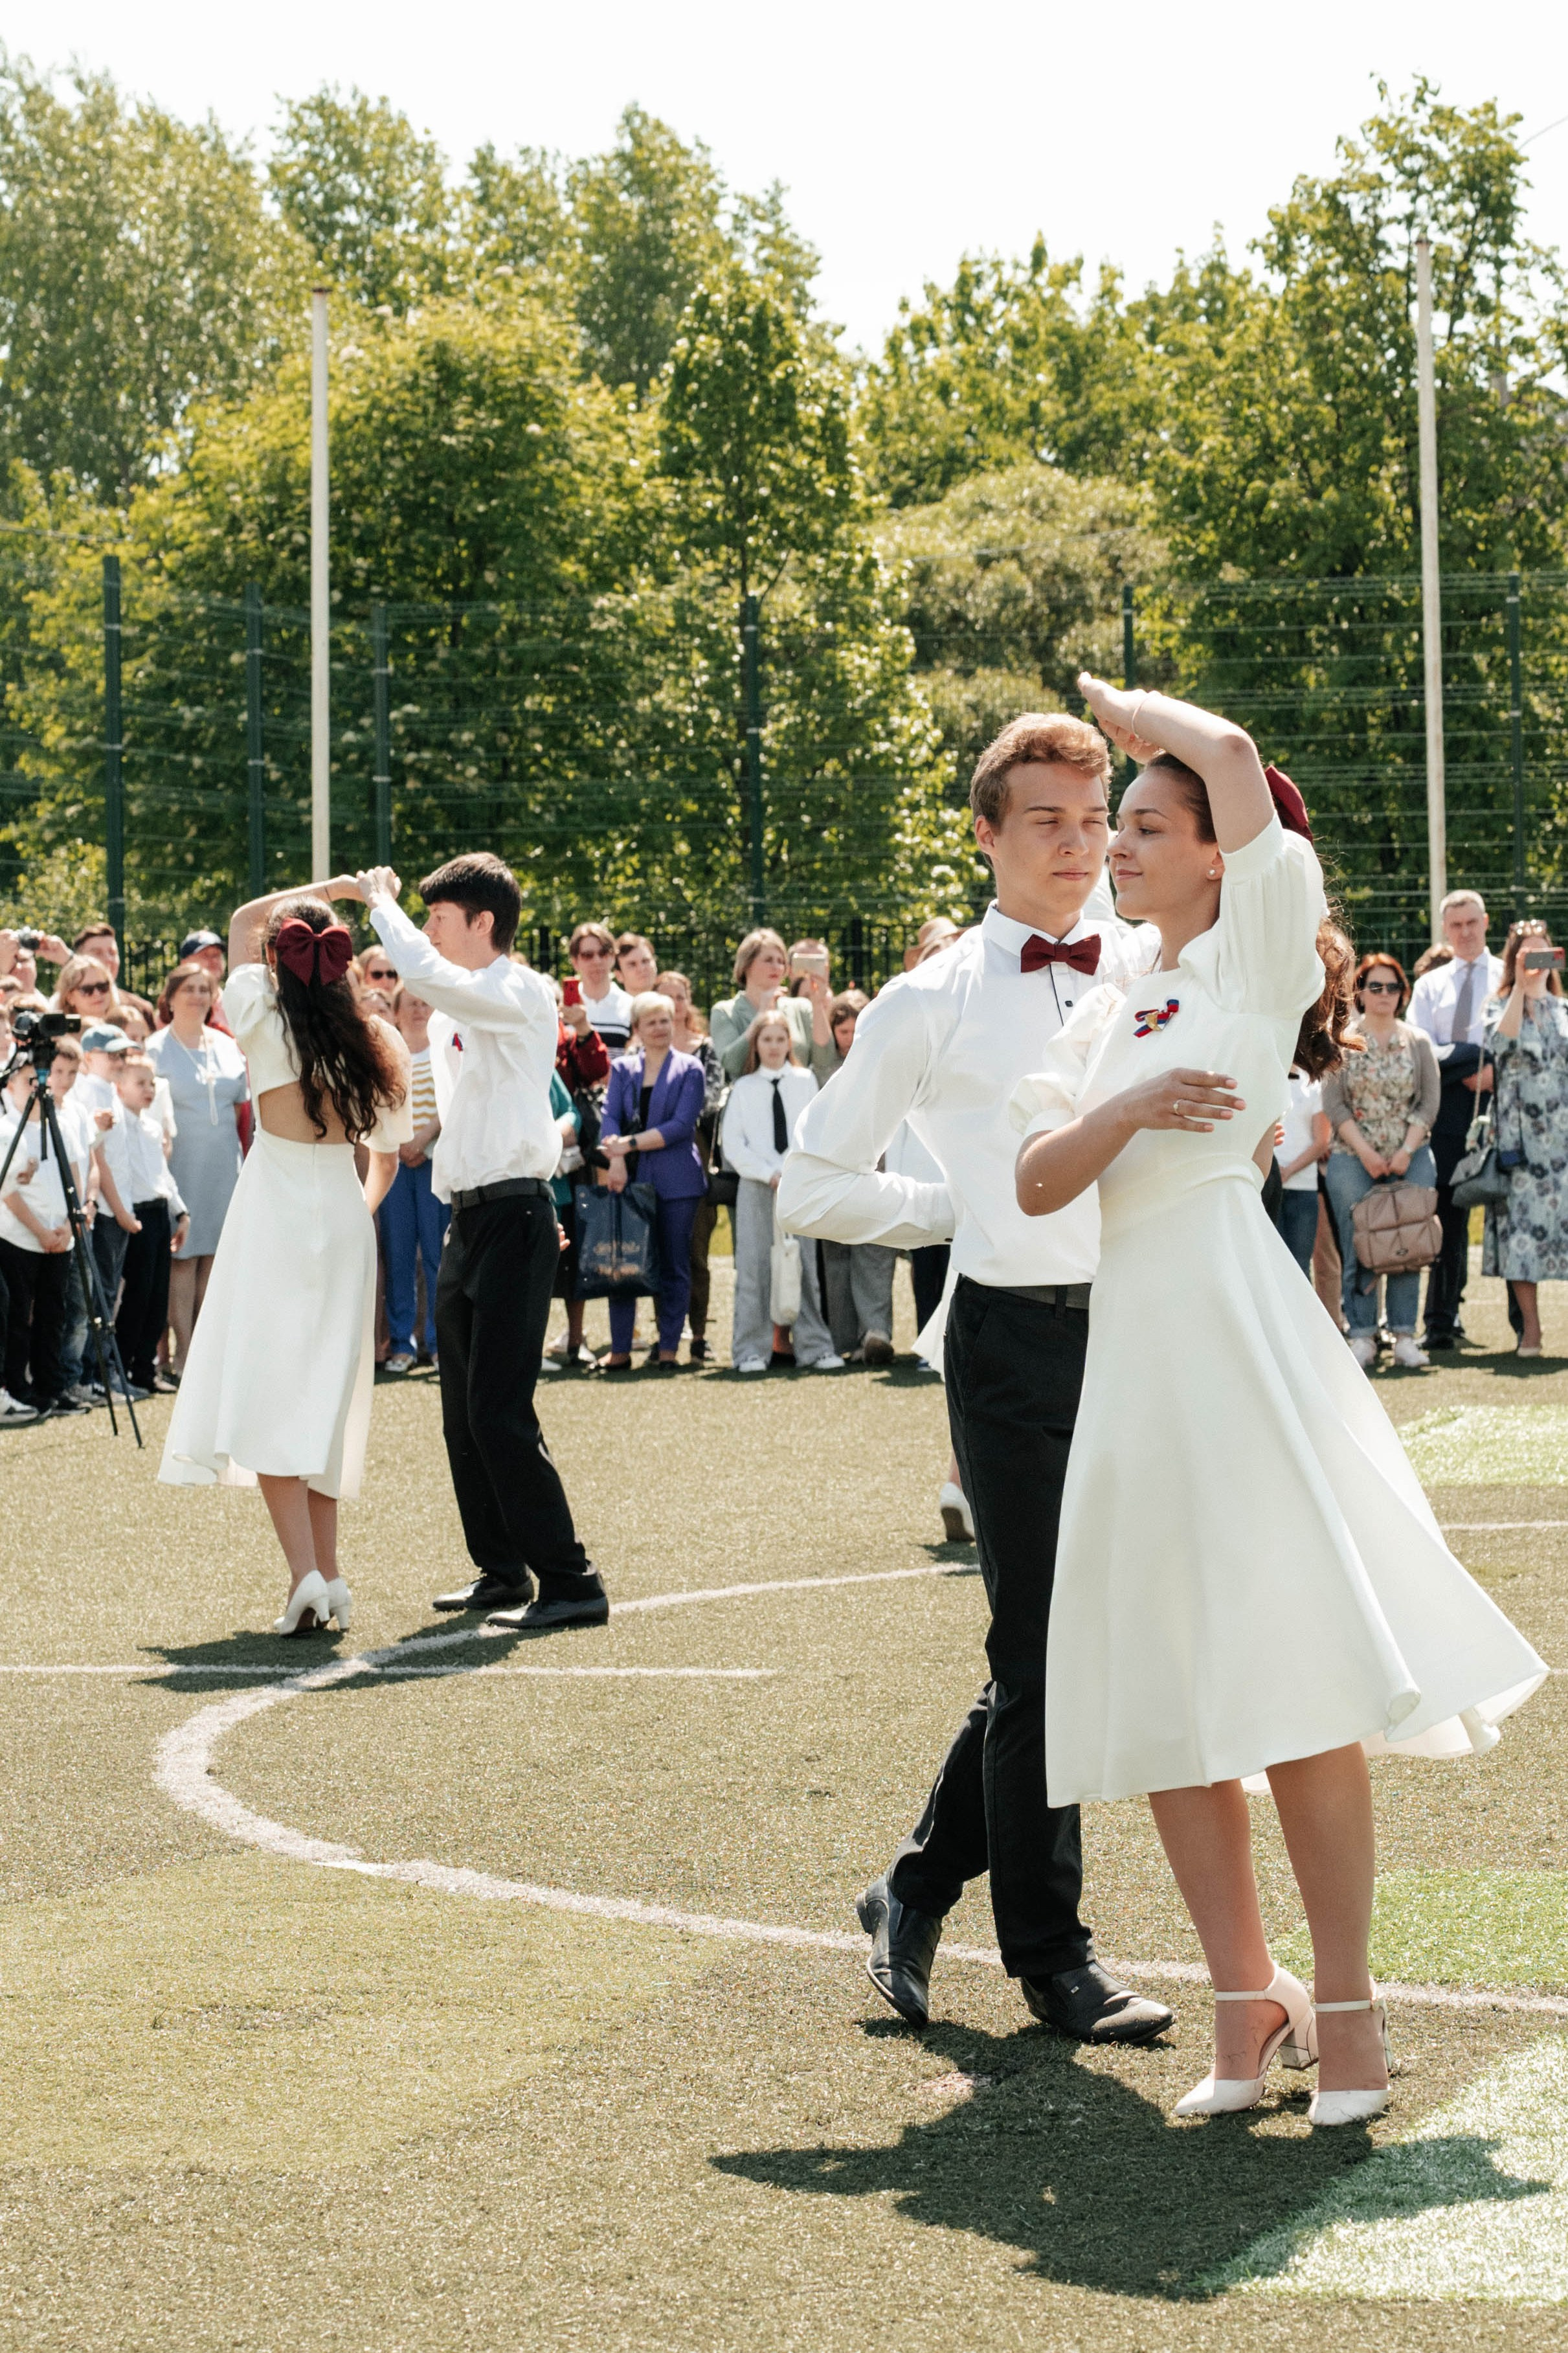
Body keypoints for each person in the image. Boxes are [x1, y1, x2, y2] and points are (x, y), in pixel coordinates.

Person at [1009, 672, 1543, 2126]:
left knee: (1292, 1679)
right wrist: (1116, 1109)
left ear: (1214, 854)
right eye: (1114, 824)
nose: (1116, 844)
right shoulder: (1111, 991)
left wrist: (1128, 710)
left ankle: (1352, 2019)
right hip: (1130, 1342)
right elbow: (1035, 1177)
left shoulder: (1250, 951)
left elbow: (1235, 752)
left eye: (1144, 822)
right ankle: (1246, 2016)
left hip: (1233, 1332)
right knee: (1174, 1699)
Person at [779, 710, 1170, 2046]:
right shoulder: (927, 995)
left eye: (1093, 816)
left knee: (1067, 1647)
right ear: (986, 832)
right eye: (1048, 820)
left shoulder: (1151, 956)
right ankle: (1049, 1955)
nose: (1079, 844)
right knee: (1040, 1649)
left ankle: (911, 1881)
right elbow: (809, 1185)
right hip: (1010, 1340)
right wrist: (953, 1209)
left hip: (1152, 1328)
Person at [358, 854, 607, 1634]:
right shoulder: (470, 1012)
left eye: (440, 916)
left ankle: (571, 1580)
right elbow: (483, 1107)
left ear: (482, 923)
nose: (429, 929)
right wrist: (428, 1133)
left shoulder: (518, 989)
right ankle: (501, 1569)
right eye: (423, 917)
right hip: (472, 1218)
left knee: (499, 1409)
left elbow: (426, 976)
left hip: (512, 1219)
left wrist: (378, 903)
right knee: (462, 1413)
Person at [161, 883, 409, 1634]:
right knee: (327, 1396)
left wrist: (328, 890)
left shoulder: (261, 1015)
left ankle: (306, 1574)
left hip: (273, 1205)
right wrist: (349, 1220)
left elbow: (238, 921)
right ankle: (329, 1575)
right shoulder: (378, 1039)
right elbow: (388, 1162)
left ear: (280, 955)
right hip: (341, 1208)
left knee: (271, 1391)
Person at [1321, 954, 1440, 1370]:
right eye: (1376, 987)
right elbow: (1334, 1105)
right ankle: (1363, 1335)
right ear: (1361, 991)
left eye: (1392, 987)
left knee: (1409, 1244)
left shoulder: (1418, 1042)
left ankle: (1405, 1335)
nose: (1385, 995)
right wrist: (1368, 1154)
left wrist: (1406, 1151)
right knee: (1361, 1246)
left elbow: (1428, 1103)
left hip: (1412, 1156)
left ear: (1402, 992)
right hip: (1354, 1160)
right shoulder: (1344, 1041)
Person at [1408, 891, 1504, 1350]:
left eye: (1472, 923)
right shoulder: (1430, 987)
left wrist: (1491, 1071)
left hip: (1503, 1110)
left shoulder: (1509, 976)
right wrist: (1472, 1062)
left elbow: (1517, 1043)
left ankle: (1524, 1329)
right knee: (1447, 1215)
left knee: (1506, 1215)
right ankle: (1441, 1324)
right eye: (1456, 926)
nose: (1465, 933)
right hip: (1447, 1114)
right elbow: (1421, 1051)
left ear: (1486, 923)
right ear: (1446, 930)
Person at [145, 962, 249, 1376]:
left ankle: (208, 1352)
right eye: (188, 989)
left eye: (205, 989)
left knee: (216, 1261)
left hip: (225, 1164)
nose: (197, 997)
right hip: (179, 1165)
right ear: (170, 998)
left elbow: (244, 1110)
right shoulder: (154, 1049)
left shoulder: (226, 1045)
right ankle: (183, 1353)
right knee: (183, 1259)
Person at [723, 1011, 840, 1373]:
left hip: (798, 1185)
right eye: (766, 1040)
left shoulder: (805, 1081)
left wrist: (789, 1169)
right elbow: (734, 1144)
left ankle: (815, 1348)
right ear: (755, 1045)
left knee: (804, 1264)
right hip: (756, 1187)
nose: (773, 1047)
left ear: (790, 1043)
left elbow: (813, 1130)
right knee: (754, 1267)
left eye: (779, 1039)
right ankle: (750, 1351)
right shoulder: (743, 1088)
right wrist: (767, 1173)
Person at [599, 991, 708, 1369]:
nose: (661, 1028)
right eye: (652, 1022)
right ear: (637, 1029)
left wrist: (625, 1147)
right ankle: (620, 1349)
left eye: (666, 1020)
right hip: (628, 1181)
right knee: (624, 1263)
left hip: (678, 1182)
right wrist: (616, 1160)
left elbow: (680, 1127)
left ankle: (668, 1348)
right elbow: (609, 1117)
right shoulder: (623, 1070)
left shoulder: (691, 1069)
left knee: (675, 1264)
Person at [1482, 919, 1568, 1358]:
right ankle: (1531, 1333)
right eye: (1526, 954)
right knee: (1521, 1238)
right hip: (1520, 1146)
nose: (1536, 962)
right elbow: (1500, 1044)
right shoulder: (1500, 1005)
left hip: (1565, 1143)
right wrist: (1519, 984)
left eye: (1542, 953)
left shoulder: (1564, 1009)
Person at [814, 992, 897, 1367]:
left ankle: (876, 1333)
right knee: (837, 1255)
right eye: (842, 1030)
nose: (848, 1037)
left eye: (855, 1029)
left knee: (876, 1251)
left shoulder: (885, 1061)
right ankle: (844, 1339)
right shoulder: (822, 1068)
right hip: (832, 1170)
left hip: (877, 1168)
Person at [0, 1056, 85, 1416]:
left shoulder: (61, 1125)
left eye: (41, 1080)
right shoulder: (6, 1130)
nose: (36, 1088)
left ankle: (53, 1386)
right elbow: (8, 1191)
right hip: (20, 1238)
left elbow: (75, 1174)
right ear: (11, 1088)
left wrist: (69, 1223)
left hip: (59, 1236)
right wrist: (39, 1232)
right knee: (19, 1317)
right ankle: (19, 1386)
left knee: (55, 1315)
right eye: (27, 1081)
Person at [653, 971, 724, 1364]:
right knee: (659, 1250)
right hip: (650, 1159)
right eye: (664, 998)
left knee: (695, 1251)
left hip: (693, 1155)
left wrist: (673, 1115)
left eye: (679, 997)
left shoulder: (705, 1049)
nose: (673, 1005)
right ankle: (665, 1336)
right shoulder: (640, 1050)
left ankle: (698, 1335)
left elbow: (711, 1100)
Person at [379, 982, 448, 1374]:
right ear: (397, 1012)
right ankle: (403, 1343)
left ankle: (440, 1344)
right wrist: (402, 1145)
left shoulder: (442, 1053)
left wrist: (423, 1140)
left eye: (426, 1002)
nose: (420, 1010)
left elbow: (453, 1102)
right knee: (400, 1256)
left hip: (434, 1162)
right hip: (396, 1166)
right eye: (412, 1004)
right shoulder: (389, 1057)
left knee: (439, 1257)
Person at [113, 1050, 189, 1392]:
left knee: (158, 1297)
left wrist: (181, 1212)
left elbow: (163, 1175)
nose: (149, 1089)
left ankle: (145, 1370)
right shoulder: (117, 1129)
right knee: (138, 1296)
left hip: (159, 1213)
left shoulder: (152, 1127)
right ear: (120, 1087)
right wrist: (127, 1214)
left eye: (151, 1083)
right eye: (140, 1083)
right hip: (136, 1215)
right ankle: (123, 1368)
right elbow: (123, 1176)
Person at [711, 930, 834, 1081]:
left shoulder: (801, 1007)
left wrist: (817, 1004)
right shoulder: (724, 1011)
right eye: (769, 960)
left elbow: (825, 1061)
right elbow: (732, 1064)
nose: (777, 967)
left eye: (781, 961)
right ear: (746, 965)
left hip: (798, 1098)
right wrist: (761, 1016)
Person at [1275, 1063, 1332, 1276]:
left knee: (1300, 1268)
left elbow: (1321, 1141)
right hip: (1267, 1185)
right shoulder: (1262, 1074)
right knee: (1272, 1266)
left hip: (1303, 1187)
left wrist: (1288, 1171)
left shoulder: (1313, 1082)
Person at [568, 921, 632, 1053]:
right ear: (575, 962)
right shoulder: (565, 1007)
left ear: (613, 957)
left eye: (603, 953)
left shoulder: (630, 1006)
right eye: (588, 955)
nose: (597, 961)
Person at [613, 932, 658, 998]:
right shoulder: (613, 1008)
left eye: (645, 961)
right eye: (632, 965)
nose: (641, 969)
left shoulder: (674, 1004)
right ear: (619, 976)